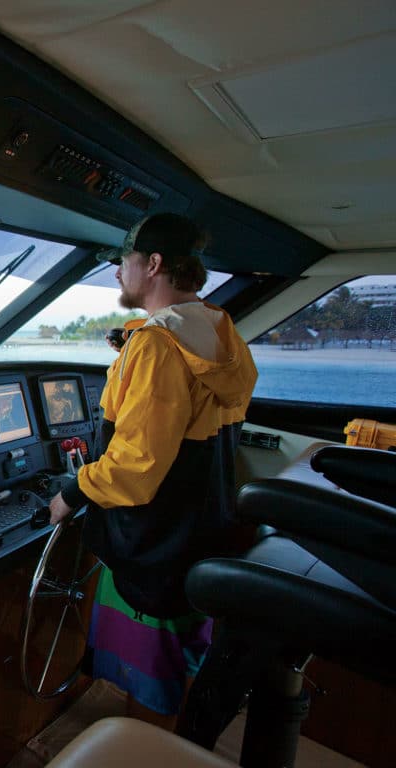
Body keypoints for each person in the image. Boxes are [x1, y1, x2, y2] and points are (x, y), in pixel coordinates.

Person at [48, 212, 258, 731]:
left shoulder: (157, 346)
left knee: (150, 679)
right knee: (182, 669)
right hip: (201, 530)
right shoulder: (218, 330)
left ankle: (145, 749)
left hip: (152, 540)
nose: (118, 272)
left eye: (124, 260)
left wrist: (71, 494)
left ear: (155, 263)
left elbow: (136, 466)